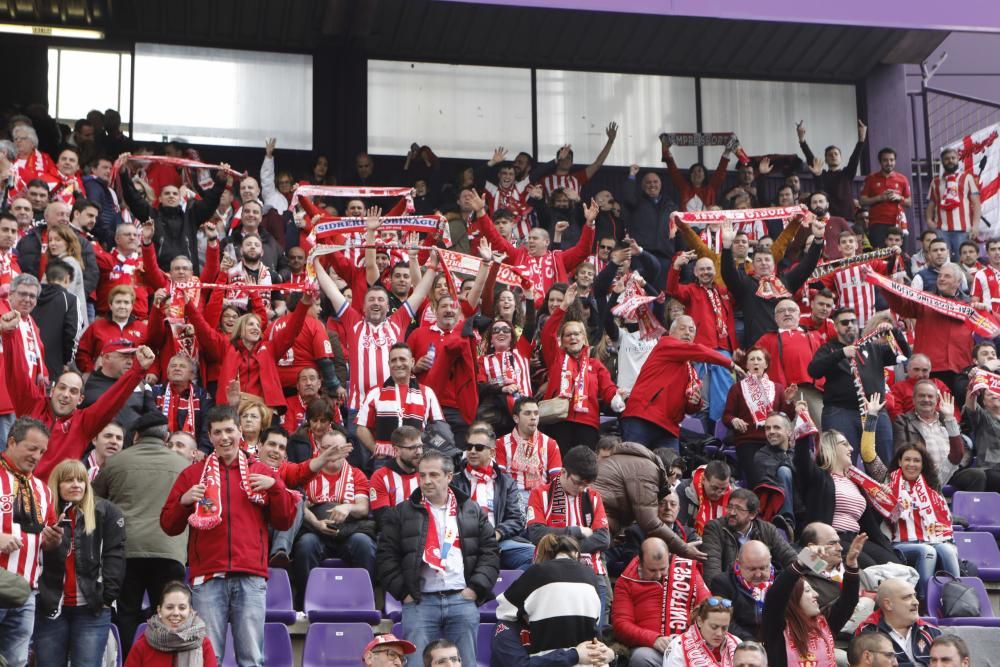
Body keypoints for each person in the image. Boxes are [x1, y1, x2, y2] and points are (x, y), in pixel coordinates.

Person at [160, 405, 298, 666]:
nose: (224, 437)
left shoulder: (262, 472)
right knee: (209, 660)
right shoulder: (192, 474)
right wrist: (184, 501)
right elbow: (169, 525)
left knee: (251, 659)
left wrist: (277, 488)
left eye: (229, 430)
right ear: (210, 437)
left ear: (240, 432)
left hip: (251, 575)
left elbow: (285, 520)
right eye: (217, 432)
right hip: (208, 577)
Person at [376, 449, 500, 667]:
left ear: (449, 477)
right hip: (420, 601)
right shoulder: (401, 512)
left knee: (466, 663)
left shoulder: (471, 510)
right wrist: (404, 593)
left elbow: (490, 552)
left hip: (462, 599)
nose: (426, 481)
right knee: (415, 663)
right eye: (422, 475)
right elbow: (386, 556)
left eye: (433, 475)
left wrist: (475, 589)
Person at [1, 308, 156, 481]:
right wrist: (9, 334)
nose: (66, 394)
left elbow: (113, 400)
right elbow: (18, 375)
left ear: (80, 399)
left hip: (57, 501)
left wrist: (137, 370)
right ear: (52, 390)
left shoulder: (84, 423)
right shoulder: (33, 405)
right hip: (18, 493)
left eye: (73, 391)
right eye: (62, 388)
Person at [93, 412, 191, 655]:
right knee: (171, 615)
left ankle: (129, 660)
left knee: (127, 614)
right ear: (166, 437)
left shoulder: (116, 462)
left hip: (127, 551)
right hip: (170, 550)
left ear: (136, 436)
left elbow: (94, 503)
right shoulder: (185, 466)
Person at [857, 398, 961, 601]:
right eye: (907, 460)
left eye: (916, 460)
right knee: (927, 551)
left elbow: (957, 455)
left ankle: (957, 598)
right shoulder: (888, 479)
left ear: (923, 464)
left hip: (933, 538)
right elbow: (868, 454)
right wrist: (871, 417)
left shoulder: (933, 483)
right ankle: (921, 600)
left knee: (948, 550)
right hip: (900, 543)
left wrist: (949, 419)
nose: (911, 464)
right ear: (899, 462)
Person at [33, 459, 126, 666]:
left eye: (81, 480)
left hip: (92, 608)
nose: (76, 484)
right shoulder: (42, 515)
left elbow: (114, 556)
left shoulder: (107, 512)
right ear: (56, 485)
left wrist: (107, 596)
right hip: (49, 608)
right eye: (68, 480)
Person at [622, 315, 740, 451]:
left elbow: (690, 407)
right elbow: (698, 350)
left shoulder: (691, 369)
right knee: (634, 466)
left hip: (669, 427)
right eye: (682, 328)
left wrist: (695, 402)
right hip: (643, 417)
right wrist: (729, 363)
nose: (687, 333)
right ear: (671, 333)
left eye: (691, 330)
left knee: (673, 470)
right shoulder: (665, 344)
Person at [795, 422, 900, 569]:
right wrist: (803, 426)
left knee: (898, 567)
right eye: (844, 444)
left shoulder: (856, 483)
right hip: (833, 541)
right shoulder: (819, 478)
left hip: (857, 539)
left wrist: (881, 502)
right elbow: (801, 460)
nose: (851, 448)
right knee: (872, 571)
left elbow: (869, 523)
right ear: (830, 447)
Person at [526, 446, 611, 623]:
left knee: (596, 634)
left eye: (586, 484)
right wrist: (577, 531)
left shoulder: (594, 497)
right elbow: (536, 534)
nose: (582, 489)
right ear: (563, 472)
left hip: (591, 571)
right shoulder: (540, 494)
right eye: (578, 482)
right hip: (551, 571)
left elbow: (603, 538)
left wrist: (562, 544)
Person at [0, 417, 60, 666]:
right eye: (32, 448)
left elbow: (48, 539)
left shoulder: (44, 490)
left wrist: (53, 540)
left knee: (16, 661)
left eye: (42, 451)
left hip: (26, 592)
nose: (37, 456)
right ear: (11, 442)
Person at [292, 428, 376, 606]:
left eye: (337, 448)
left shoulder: (356, 474)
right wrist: (315, 522)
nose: (332, 453)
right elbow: (298, 505)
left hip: (348, 533)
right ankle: (306, 603)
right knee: (305, 544)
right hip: (316, 531)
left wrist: (348, 506)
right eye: (327, 448)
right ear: (319, 449)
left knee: (364, 543)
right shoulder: (307, 472)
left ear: (347, 449)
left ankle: (364, 601)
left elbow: (363, 508)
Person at [808, 308, 903, 465]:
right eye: (845, 323)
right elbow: (814, 370)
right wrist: (841, 353)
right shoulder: (829, 348)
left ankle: (884, 490)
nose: (850, 325)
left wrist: (894, 332)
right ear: (836, 327)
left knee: (885, 462)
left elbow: (902, 356)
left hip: (876, 411)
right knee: (840, 462)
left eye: (853, 321)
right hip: (841, 411)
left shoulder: (872, 346)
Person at [539, 284, 625, 451]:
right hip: (558, 422)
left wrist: (615, 397)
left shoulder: (595, 365)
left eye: (577, 333)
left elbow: (607, 388)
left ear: (584, 339)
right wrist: (564, 305)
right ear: (562, 341)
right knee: (559, 467)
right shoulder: (557, 358)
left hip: (588, 424)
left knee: (583, 468)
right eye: (568, 334)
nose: (573, 337)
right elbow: (547, 333)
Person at [761, 532, 866, 667]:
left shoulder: (825, 624)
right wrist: (801, 562)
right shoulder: (776, 628)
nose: (816, 594)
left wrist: (851, 564)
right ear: (792, 600)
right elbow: (776, 595)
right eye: (808, 591)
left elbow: (849, 602)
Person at [592, 439, 705, 562]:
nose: (675, 483)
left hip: (594, 518)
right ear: (666, 469)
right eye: (674, 476)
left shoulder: (636, 464)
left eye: (679, 477)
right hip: (594, 520)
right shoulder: (648, 471)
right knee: (597, 574)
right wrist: (684, 549)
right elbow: (650, 523)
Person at [496, 534, 603, 658]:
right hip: (588, 660)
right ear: (575, 553)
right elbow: (596, 621)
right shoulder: (591, 576)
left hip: (546, 659)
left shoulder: (536, 572)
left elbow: (503, 611)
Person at [612, 537, 711, 667]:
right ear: (640, 563)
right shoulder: (625, 581)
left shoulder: (685, 569)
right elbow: (621, 625)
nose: (659, 575)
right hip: (652, 650)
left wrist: (691, 639)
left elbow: (708, 608)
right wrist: (653, 639)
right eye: (652, 570)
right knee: (641, 658)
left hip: (689, 648)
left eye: (663, 568)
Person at [452, 422, 535, 571]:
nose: (472, 451)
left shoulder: (506, 482)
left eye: (478, 447)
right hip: (463, 543)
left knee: (536, 556)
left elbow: (516, 519)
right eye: (469, 446)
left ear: (492, 453)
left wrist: (497, 534)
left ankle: (507, 592)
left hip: (498, 541)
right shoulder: (454, 481)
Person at [357, 343, 443, 471]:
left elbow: (440, 427)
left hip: (417, 460)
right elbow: (361, 427)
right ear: (389, 364)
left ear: (412, 362)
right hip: (385, 460)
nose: (398, 364)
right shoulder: (375, 392)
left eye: (402, 359)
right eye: (393, 360)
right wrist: (375, 448)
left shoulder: (427, 392)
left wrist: (425, 450)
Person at [723, 347, 795, 482]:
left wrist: (789, 400)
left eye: (759, 359)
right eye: (752, 359)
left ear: (766, 364)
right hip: (748, 441)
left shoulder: (778, 388)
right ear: (746, 365)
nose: (756, 363)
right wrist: (734, 420)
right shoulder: (737, 388)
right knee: (760, 481)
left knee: (784, 477)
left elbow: (787, 417)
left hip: (775, 441)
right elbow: (727, 416)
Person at [893, 381, 980, 491]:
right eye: (921, 396)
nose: (926, 399)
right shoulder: (903, 421)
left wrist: (955, 466)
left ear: (936, 400)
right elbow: (901, 451)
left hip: (953, 470)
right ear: (913, 399)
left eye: (930, 396)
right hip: (924, 473)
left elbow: (964, 450)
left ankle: (968, 508)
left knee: (979, 476)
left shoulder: (946, 418)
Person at [701, 488, 797, 585]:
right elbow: (712, 571)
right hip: (732, 589)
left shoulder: (767, 529)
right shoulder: (715, 528)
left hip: (766, 586)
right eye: (729, 507)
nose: (732, 513)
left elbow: (789, 555)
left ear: (752, 514)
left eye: (738, 509)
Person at [125, 580, 217, 666]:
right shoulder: (143, 645)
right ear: (159, 611)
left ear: (190, 611)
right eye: (169, 607)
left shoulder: (203, 644)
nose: (176, 613)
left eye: (182, 608)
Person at [495, 397, 562, 508]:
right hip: (511, 499)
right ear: (516, 418)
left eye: (536, 413)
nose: (533, 417)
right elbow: (499, 479)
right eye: (527, 413)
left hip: (541, 499)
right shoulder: (501, 443)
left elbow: (557, 480)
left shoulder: (550, 443)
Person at [856, 579, 941, 666]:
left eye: (914, 596)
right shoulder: (868, 633)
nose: (916, 602)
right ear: (888, 604)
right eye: (907, 597)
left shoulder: (930, 631)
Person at [797, 119, 867, 220]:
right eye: (830, 155)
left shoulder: (847, 174)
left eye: (836, 154)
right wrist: (802, 141)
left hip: (847, 219)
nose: (833, 156)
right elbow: (811, 159)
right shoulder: (821, 174)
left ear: (841, 158)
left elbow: (855, 159)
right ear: (825, 159)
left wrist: (861, 140)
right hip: (826, 219)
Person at [708, 541, 776, 641]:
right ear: (739, 563)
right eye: (752, 569)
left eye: (763, 568)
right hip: (742, 644)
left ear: (770, 560)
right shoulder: (722, 583)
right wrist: (752, 643)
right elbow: (727, 622)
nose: (758, 574)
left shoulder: (780, 579)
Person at [926, 147, 981, 259]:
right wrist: (929, 220)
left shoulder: (967, 178)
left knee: (962, 261)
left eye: (953, 158)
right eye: (947, 159)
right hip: (942, 230)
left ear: (958, 160)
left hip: (962, 230)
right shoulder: (936, 181)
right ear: (942, 161)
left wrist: (975, 226)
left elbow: (976, 204)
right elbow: (931, 204)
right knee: (943, 261)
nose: (950, 161)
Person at [368, 425, 424, 528]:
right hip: (395, 536)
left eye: (420, 446)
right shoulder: (380, 476)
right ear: (396, 450)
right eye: (412, 448)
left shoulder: (427, 472)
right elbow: (383, 519)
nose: (419, 452)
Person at [663, 597, 741, 667]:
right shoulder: (678, 647)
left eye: (724, 628)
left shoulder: (737, 643)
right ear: (700, 621)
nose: (719, 633)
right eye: (714, 627)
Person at [860, 148, 912, 249]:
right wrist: (880, 198)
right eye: (885, 160)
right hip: (877, 223)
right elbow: (862, 201)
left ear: (895, 161)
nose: (889, 163)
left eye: (892, 160)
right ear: (880, 162)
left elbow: (909, 202)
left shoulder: (902, 179)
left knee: (899, 255)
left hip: (898, 223)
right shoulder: (871, 178)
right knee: (879, 255)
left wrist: (899, 198)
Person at [677, 460, 732, 537]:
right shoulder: (684, 490)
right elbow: (679, 526)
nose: (719, 493)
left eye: (723, 489)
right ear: (703, 480)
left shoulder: (733, 496)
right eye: (714, 488)